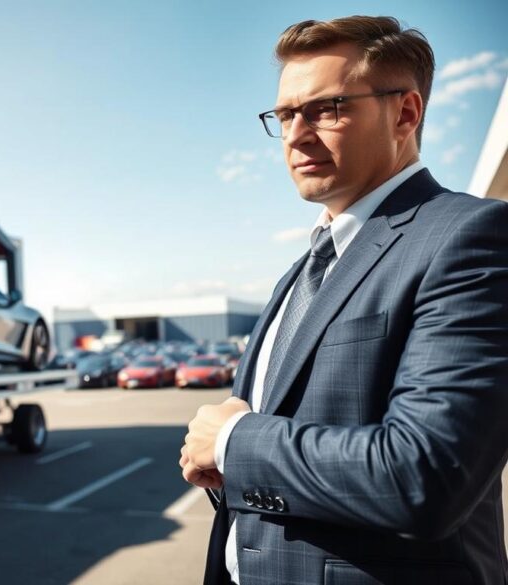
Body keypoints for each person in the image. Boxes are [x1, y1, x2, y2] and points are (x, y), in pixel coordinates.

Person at [179, 15, 508, 585]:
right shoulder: (299, 270)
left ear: (405, 112)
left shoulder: (471, 236)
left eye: (325, 109)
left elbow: (425, 476)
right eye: (284, 115)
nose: (296, 134)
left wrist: (233, 442)